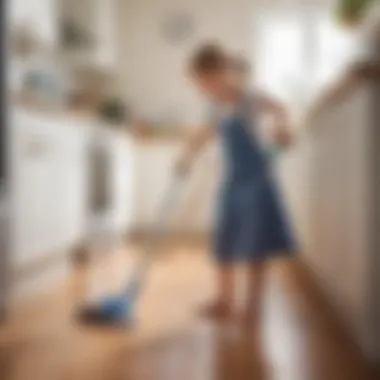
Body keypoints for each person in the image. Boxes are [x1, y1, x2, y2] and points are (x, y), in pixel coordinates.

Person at [176, 44, 294, 324]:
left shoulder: (250, 97)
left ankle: (252, 306)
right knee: (224, 242)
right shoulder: (216, 105)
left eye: (203, 81)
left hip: (257, 178)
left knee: (256, 246)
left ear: (219, 73)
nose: (201, 88)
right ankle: (225, 301)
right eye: (199, 83)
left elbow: (281, 108)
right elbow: (205, 133)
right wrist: (186, 156)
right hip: (232, 180)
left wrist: (282, 127)